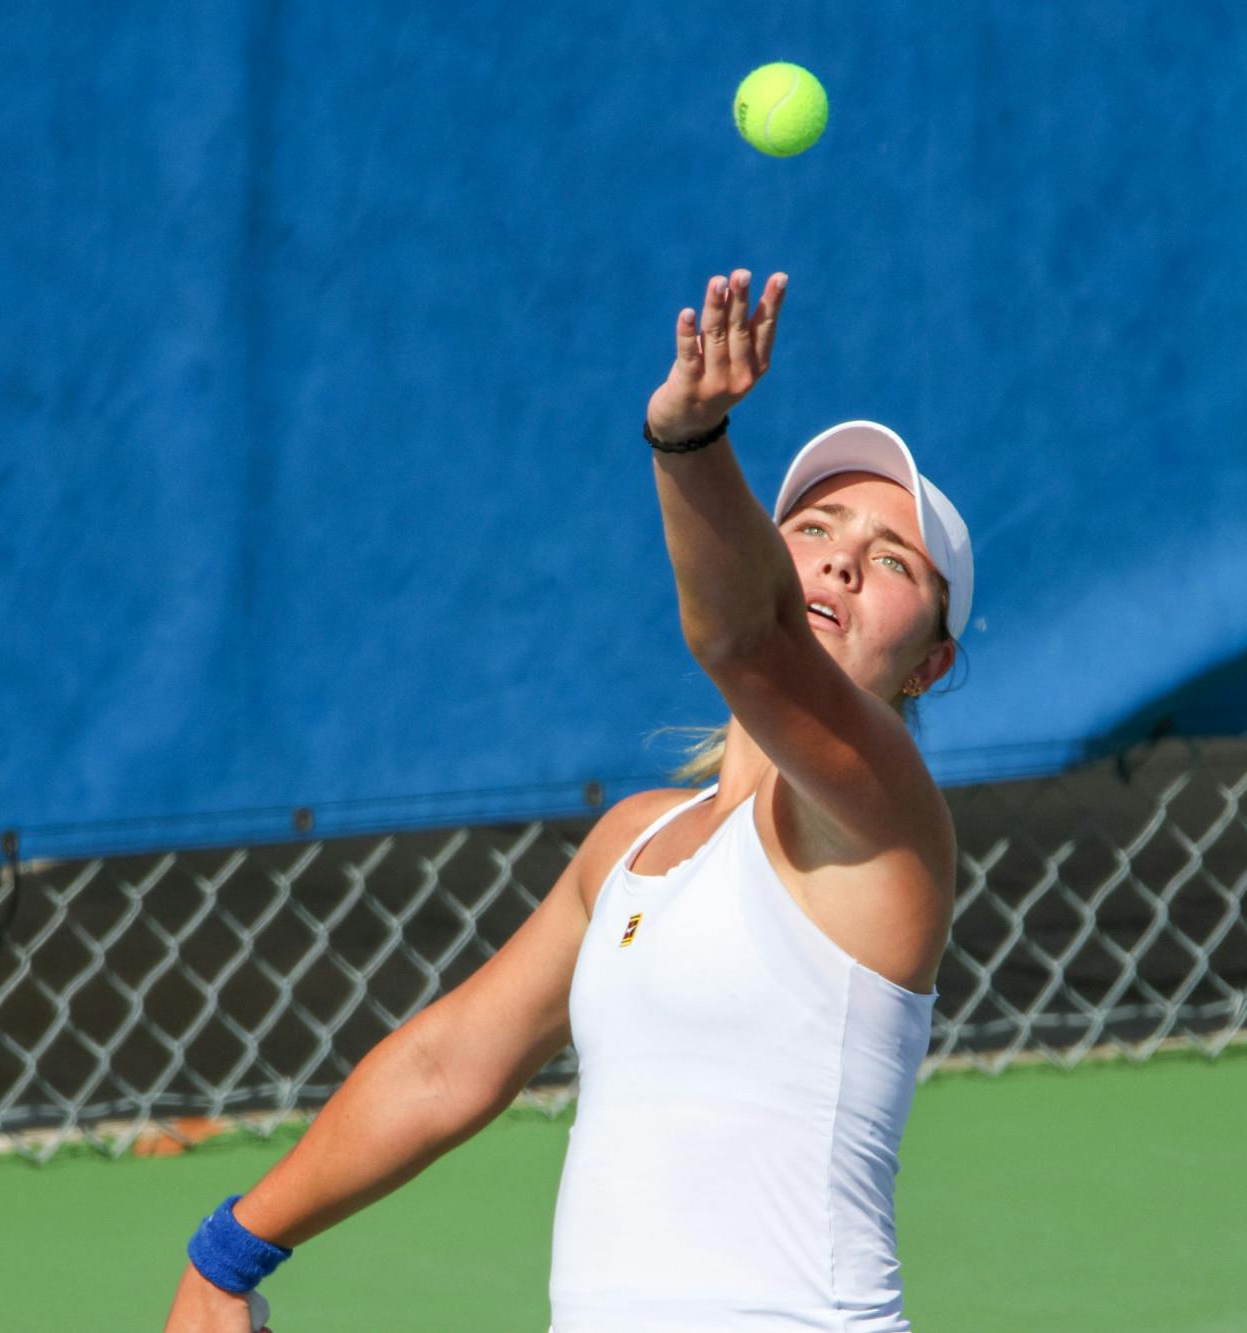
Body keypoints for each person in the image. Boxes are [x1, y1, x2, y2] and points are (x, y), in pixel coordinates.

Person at [162, 268, 974, 1332]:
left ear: (926, 662)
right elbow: (450, 1062)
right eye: (814, 530)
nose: (842, 564)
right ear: (766, 557)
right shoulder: (633, 843)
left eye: (891, 560)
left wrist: (688, 438)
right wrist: (227, 1254)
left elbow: (739, 639)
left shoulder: (886, 824)